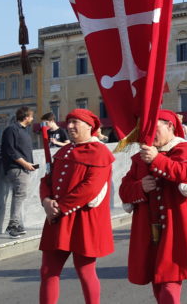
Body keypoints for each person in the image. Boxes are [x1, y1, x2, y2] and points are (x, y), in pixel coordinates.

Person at [120, 109, 187, 303]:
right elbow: (124, 189)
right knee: (158, 283)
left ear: (170, 126)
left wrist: (157, 159)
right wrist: (140, 187)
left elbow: (186, 174)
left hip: (175, 231)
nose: (148, 134)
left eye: (153, 128)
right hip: (148, 231)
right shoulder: (141, 157)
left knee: (169, 285)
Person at [39, 109, 115, 304]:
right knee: (48, 271)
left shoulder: (100, 152)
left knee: (85, 271)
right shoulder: (65, 150)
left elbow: (89, 188)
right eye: (69, 122)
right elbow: (46, 180)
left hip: (83, 220)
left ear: (90, 126)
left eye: (75, 122)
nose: (70, 126)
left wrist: (59, 207)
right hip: (57, 219)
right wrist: (46, 201)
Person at [0, 106, 36, 238]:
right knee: (20, 195)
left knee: (19, 195)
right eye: (31, 116)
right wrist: (25, 163)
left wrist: (29, 164)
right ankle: (13, 225)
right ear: (26, 117)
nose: (32, 119)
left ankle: (18, 224)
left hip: (24, 168)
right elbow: (10, 151)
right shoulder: (11, 130)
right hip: (17, 168)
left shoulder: (24, 131)